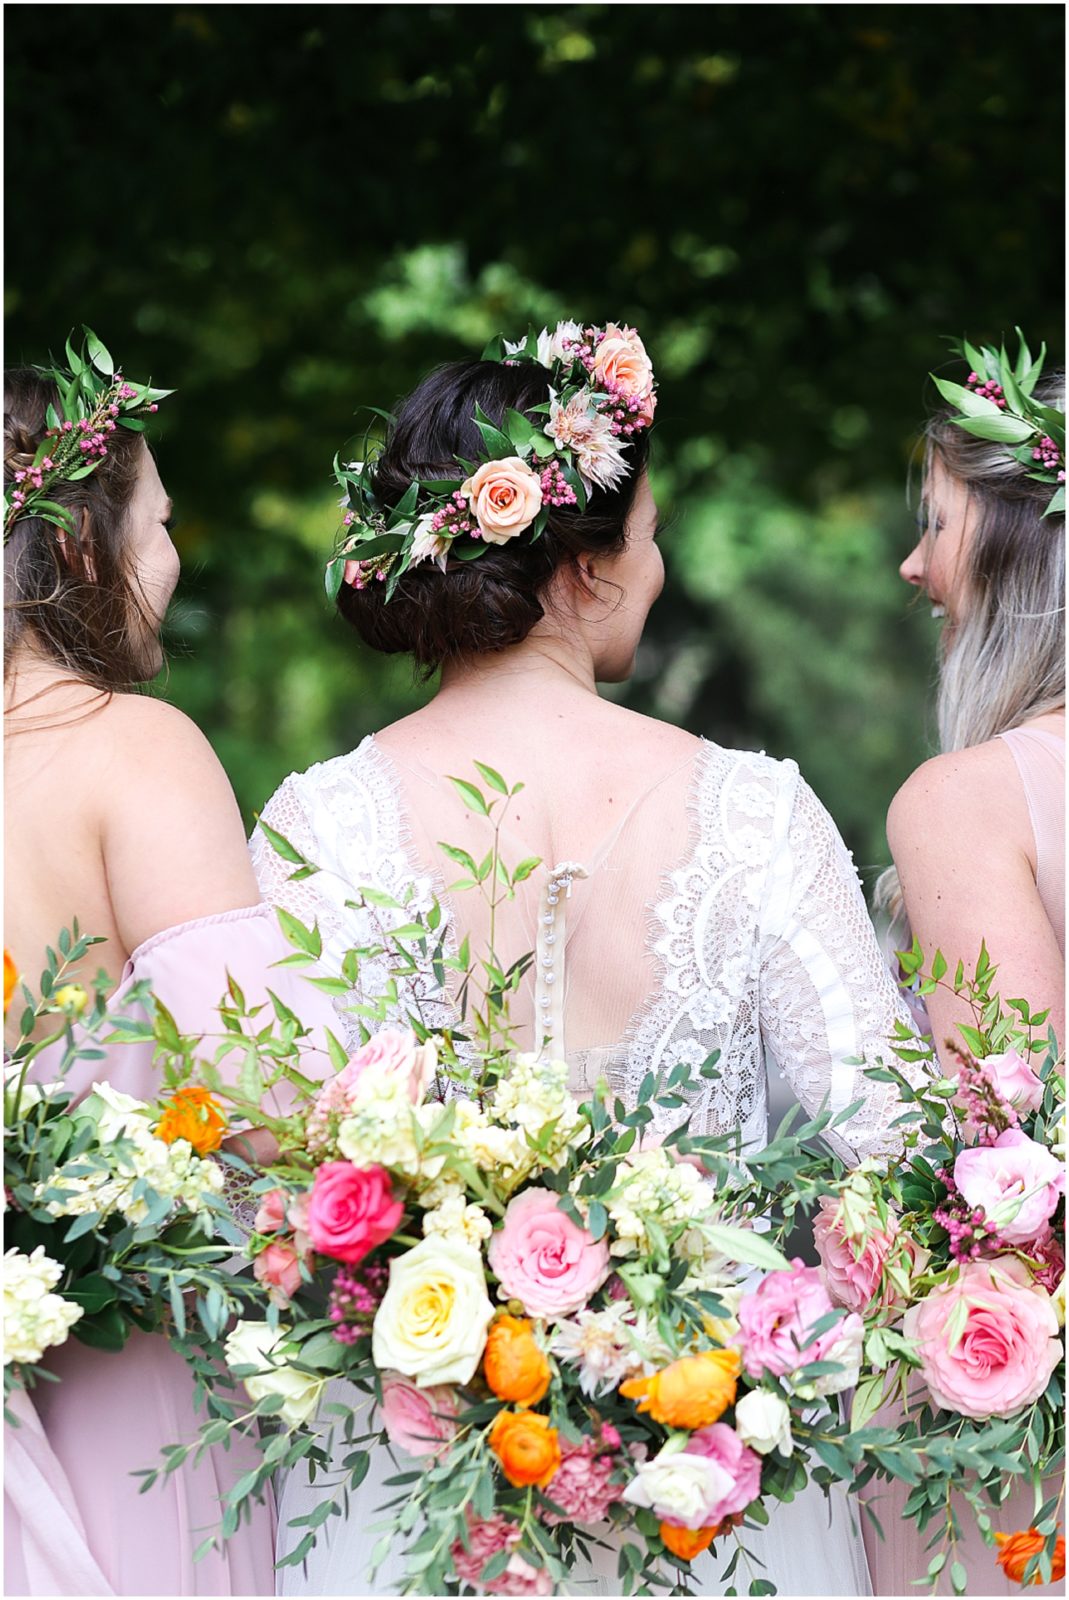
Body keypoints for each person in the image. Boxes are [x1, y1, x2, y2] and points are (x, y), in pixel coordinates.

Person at [252, 323, 918, 1596]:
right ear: (582, 568)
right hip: (708, 1475)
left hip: (420, 1471)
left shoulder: (316, 823)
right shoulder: (751, 812)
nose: (656, 569)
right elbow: (886, 1139)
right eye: (650, 535)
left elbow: (271, 1158)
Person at [3, 342, 308, 1595]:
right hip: (124, 1381)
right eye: (163, 520)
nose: (172, 557)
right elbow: (270, 1098)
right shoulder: (134, 749)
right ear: (80, 546)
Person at [866, 337, 1065, 1596]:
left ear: (1013, 551)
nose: (913, 566)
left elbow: (1014, 1159)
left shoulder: (966, 804)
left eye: (933, 526)